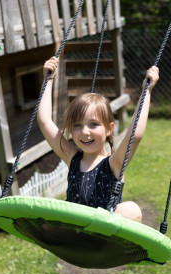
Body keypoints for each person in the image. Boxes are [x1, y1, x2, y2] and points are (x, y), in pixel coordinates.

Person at [37, 56, 159, 223]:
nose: (85, 132)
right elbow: (44, 121)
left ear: (109, 128)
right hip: (76, 231)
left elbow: (135, 135)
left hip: (104, 238)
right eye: (77, 125)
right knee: (45, 214)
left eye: (93, 124)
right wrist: (48, 79)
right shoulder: (72, 158)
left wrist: (147, 91)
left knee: (131, 210)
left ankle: (97, 230)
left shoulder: (114, 163)